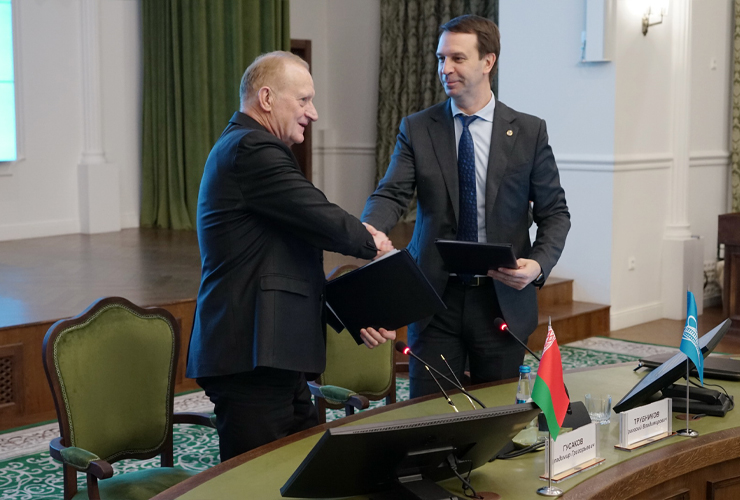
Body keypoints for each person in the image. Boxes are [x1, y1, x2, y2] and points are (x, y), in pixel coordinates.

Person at [187, 51, 395, 461]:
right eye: (303, 100)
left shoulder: (250, 147)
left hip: (272, 356)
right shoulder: (251, 148)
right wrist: (374, 243)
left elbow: (289, 267)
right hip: (250, 357)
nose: (312, 113)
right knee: (255, 482)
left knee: (305, 472)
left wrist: (354, 313)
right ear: (266, 98)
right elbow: (317, 214)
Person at [362, 15, 570, 399]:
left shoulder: (528, 132)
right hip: (433, 299)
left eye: (457, 58)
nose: (445, 69)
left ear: (487, 61)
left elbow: (555, 213)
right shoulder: (418, 128)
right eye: (441, 58)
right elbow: (391, 193)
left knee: (498, 415)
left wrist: (538, 265)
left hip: (501, 300)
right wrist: (371, 230)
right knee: (430, 414)